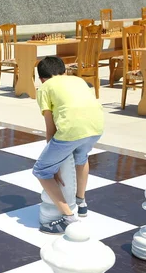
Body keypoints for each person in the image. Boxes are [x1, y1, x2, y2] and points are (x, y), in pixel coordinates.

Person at [32, 56, 104, 234]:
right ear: (64, 72)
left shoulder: (44, 88)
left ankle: (68, 218)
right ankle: (82, 202)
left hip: (71, 130)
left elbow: (50, 127)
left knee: (41, 170)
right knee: (81, 158)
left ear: (41, 78)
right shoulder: (78, 80)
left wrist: (54, 165)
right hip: (96, 127)